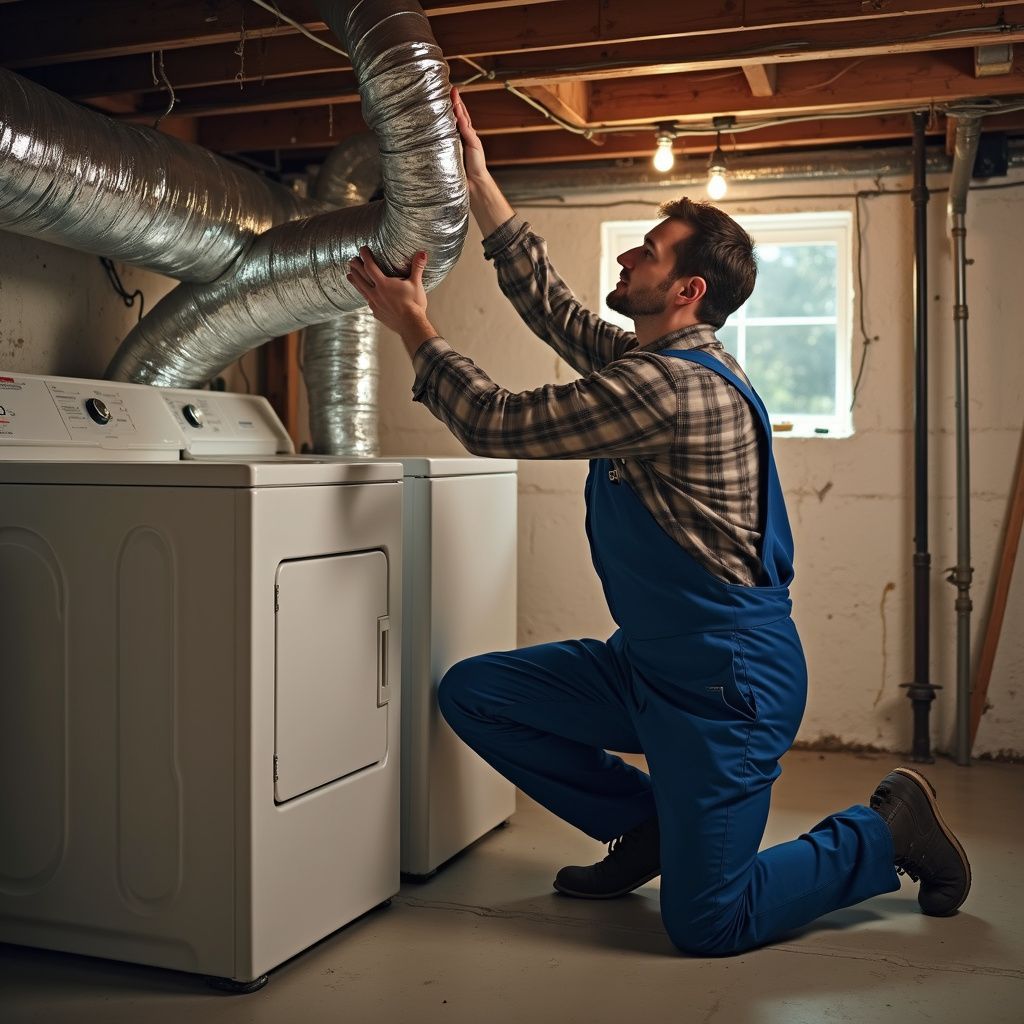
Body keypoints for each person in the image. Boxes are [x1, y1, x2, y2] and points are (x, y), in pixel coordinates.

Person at [345, 87, 971, 956]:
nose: (632, 256)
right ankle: (648, 830)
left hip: (727, 692)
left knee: (709, 921)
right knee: (477, 694)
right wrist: (482, 183)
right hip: (650, 668)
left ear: (687, 288)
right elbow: (556, 313)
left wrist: (414, 326)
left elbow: (497, 422)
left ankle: (884, 831)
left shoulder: (668, 389)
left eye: (649, 250)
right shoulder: (660, 359)